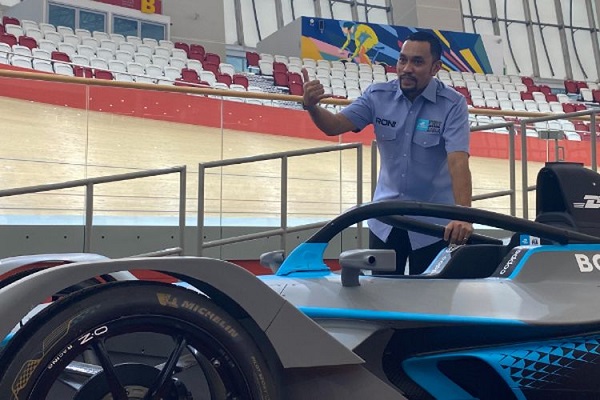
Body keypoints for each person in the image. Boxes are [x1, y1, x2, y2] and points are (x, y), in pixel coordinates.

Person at [301, 31, 473, 275]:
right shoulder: (377, 96)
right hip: (386, 222)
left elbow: (458, 162)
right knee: (380, 291)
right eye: (402, 60)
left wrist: (464, 215)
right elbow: (334, 126)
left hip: (434, 226)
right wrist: (311, 107)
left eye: (417, 62)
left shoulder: (453, 104)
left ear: (436, 68)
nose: (406, 68)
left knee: (432, 294)